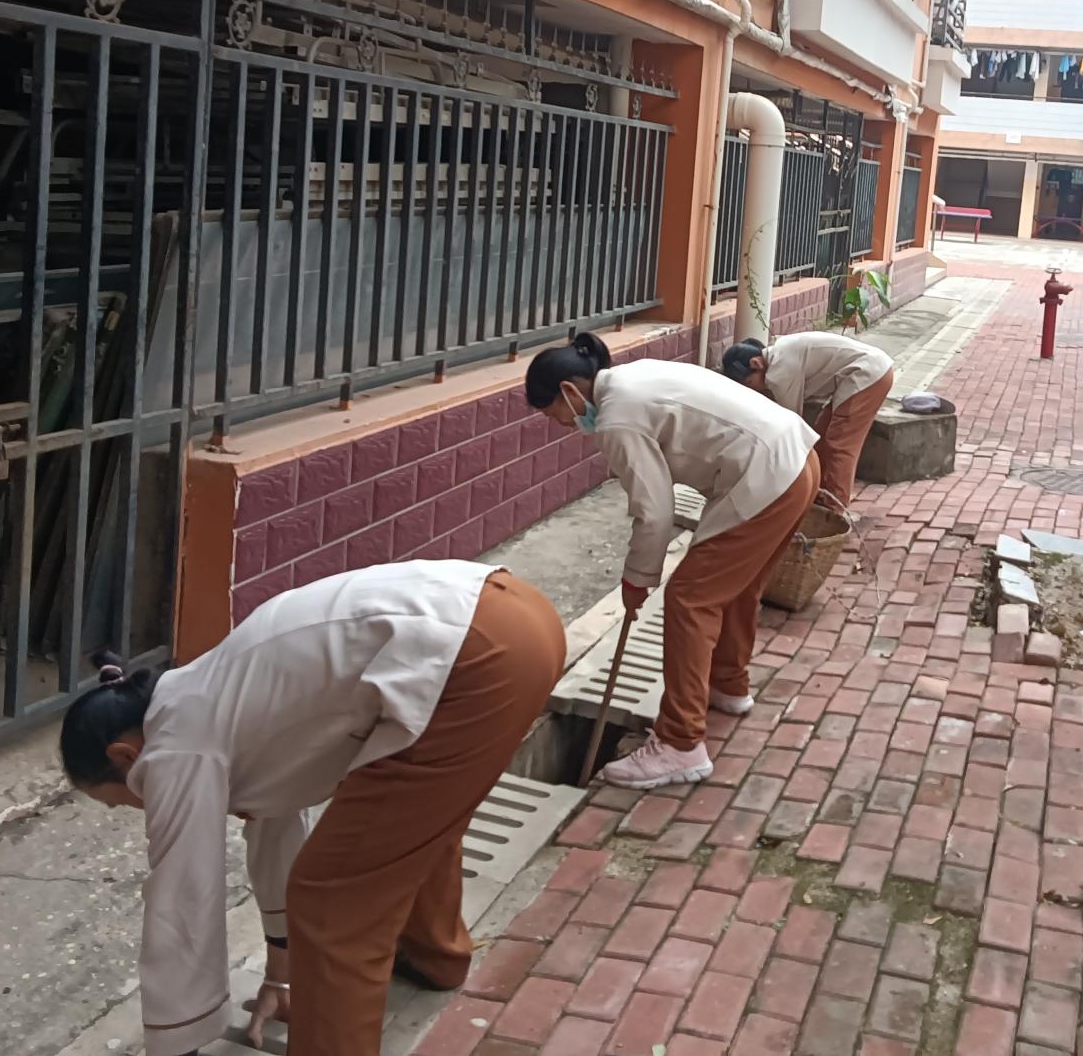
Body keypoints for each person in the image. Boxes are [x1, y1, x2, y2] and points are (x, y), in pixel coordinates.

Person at [59, 559, 565, 1056]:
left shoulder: (174, 747)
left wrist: (175, 1043)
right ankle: (435, 956)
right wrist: (282, 980)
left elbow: (181, 899)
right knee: (405, 825)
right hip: (514, 618)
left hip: (471, 658)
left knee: (333, 904)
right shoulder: (205, 692)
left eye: (124, 802)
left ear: (125, 757)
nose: (142, 807)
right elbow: (276, 829)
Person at [525, 333, 819, 789]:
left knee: (688, 600)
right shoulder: (631, 377)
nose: (560, 424)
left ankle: (681, 744)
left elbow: (655, 511)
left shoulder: (617, 417)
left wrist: (637, 579)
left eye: (552, 414)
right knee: (735, 586)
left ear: (569, 391)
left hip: (767, 476)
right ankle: (728, 684)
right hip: (798, 460)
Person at [722, 330, 894, 508]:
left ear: (756, 363)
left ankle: (836, 506)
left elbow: (790, 425)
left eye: (749, 383)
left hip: (867, 374)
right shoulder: (779, 353)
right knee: (821, 437)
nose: (754, 390)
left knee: (839, 445)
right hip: (865, 372)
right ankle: (818, 493)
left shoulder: (780, 372)